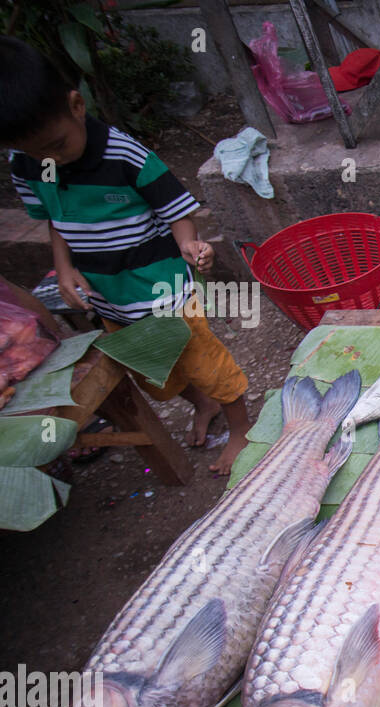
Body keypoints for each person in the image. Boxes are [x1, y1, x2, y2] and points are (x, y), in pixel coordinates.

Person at [0, 37, 251, 476]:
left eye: (56, 145)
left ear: (77, 106)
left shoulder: (125, 155)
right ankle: (202, 403)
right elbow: (55, 220)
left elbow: (178, 212)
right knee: (158, 376)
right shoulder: (26, 162)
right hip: (108, 298)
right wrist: (64, 268)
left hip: (166, 294)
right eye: (37, 152)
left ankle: (240, 429)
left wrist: (190, 246)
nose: (49, 160)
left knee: (208, 365)